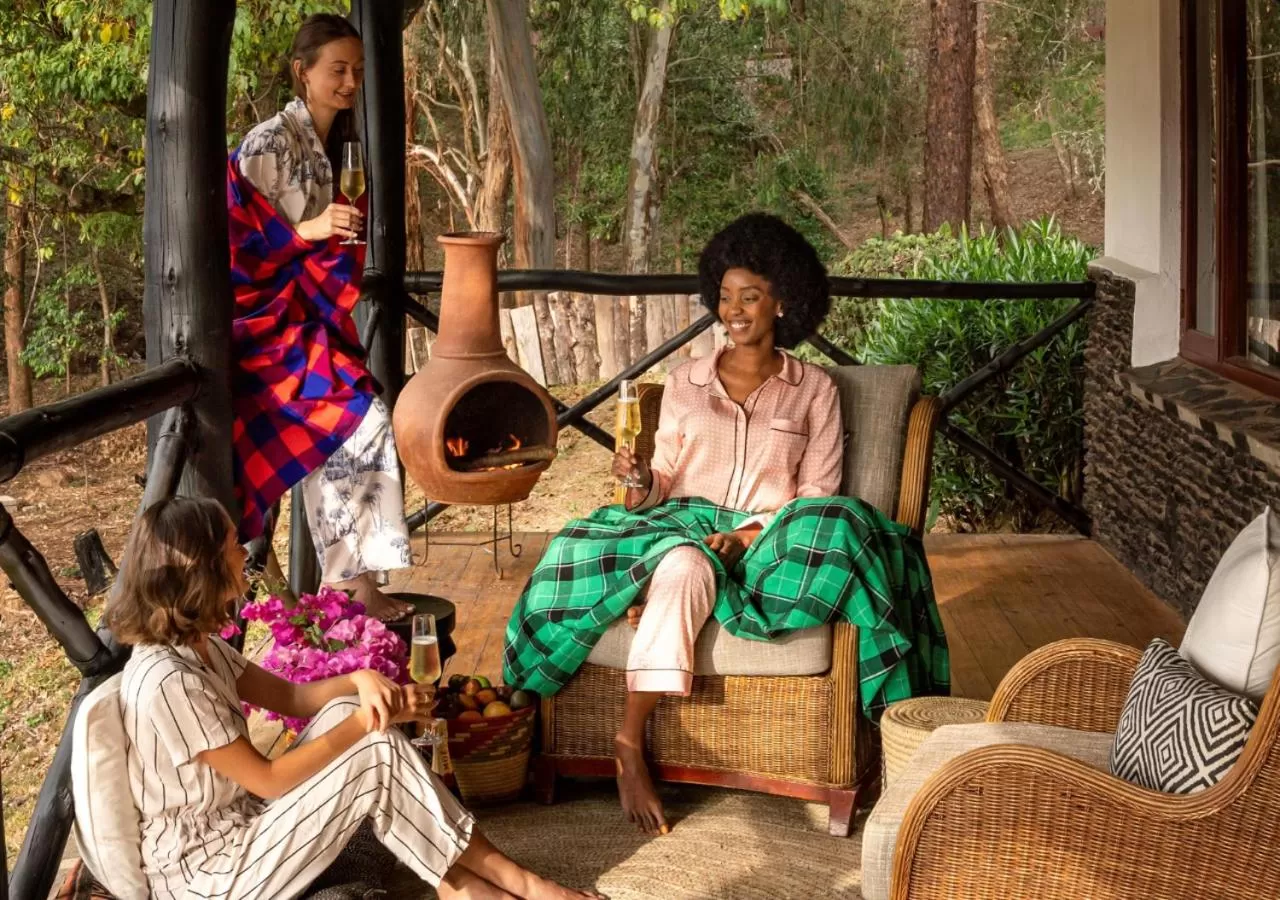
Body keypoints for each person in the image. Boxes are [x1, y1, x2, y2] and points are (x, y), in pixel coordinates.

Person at [503, 213, 948, 835]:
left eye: (750, 296)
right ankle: (629, 743)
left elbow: (817, 495)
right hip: (680, 527)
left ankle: (651, 597)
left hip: (773, 541)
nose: (733, 311)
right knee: (674, 559)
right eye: (724, 296)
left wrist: (748, 536)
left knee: (841, 522)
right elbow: (656, 486)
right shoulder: (684, 382)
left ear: (783, 302)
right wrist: (635, 481)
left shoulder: (814, 389)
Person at [107, 496, 606, 900]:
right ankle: (518, 884)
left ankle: (462, 885)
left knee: (350, 713)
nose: (247, 552)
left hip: (244, 829)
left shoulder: (202, 646)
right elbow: (270, 779)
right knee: (370, 746)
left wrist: (360, 681)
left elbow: (295, 698)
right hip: (209, 877)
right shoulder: (168, 682)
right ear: (204, 567)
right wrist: (369, 725)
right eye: (235, 545)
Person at [228, 13, 412, 621]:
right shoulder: (269, 143)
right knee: (358, 416)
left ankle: (351, 585)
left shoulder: (332, 147)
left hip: (305, 321)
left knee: (365, 416)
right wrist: (308, 230)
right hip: (262, 328)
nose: (351, 81)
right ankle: (348, 586)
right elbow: (230, 244)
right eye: (338, 69)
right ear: (301, 73)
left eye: (358, 70)